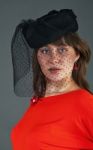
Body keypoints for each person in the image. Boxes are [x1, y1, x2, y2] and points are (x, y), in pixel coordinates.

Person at [10, 9, 93, 150]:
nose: (54, 59)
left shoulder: (87, 105)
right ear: (37, 57)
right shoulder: (39, 101)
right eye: (45, 51)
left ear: (77, 54)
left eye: (62, 50)